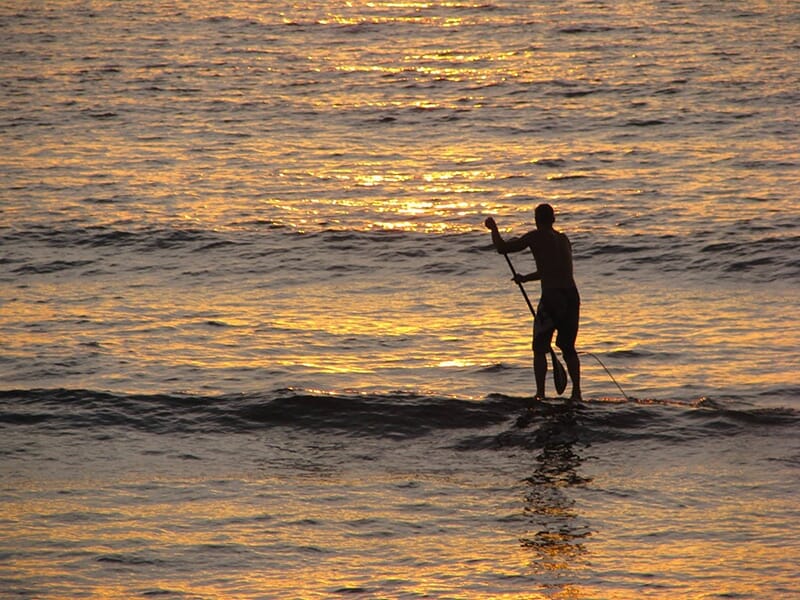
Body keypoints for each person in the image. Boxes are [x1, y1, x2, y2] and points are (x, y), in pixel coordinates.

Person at [485, 204, 581, 401]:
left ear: (536, 220)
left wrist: (494, 229)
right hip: (572, 296)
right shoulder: (564, 239)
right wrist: (526, 278)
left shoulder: (535, 236)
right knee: (568, 346)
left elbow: (502, 248)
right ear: (553, 219)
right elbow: (553, 270)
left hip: (553, 298)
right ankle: (577, 393)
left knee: (539, 347)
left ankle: (540, 394)